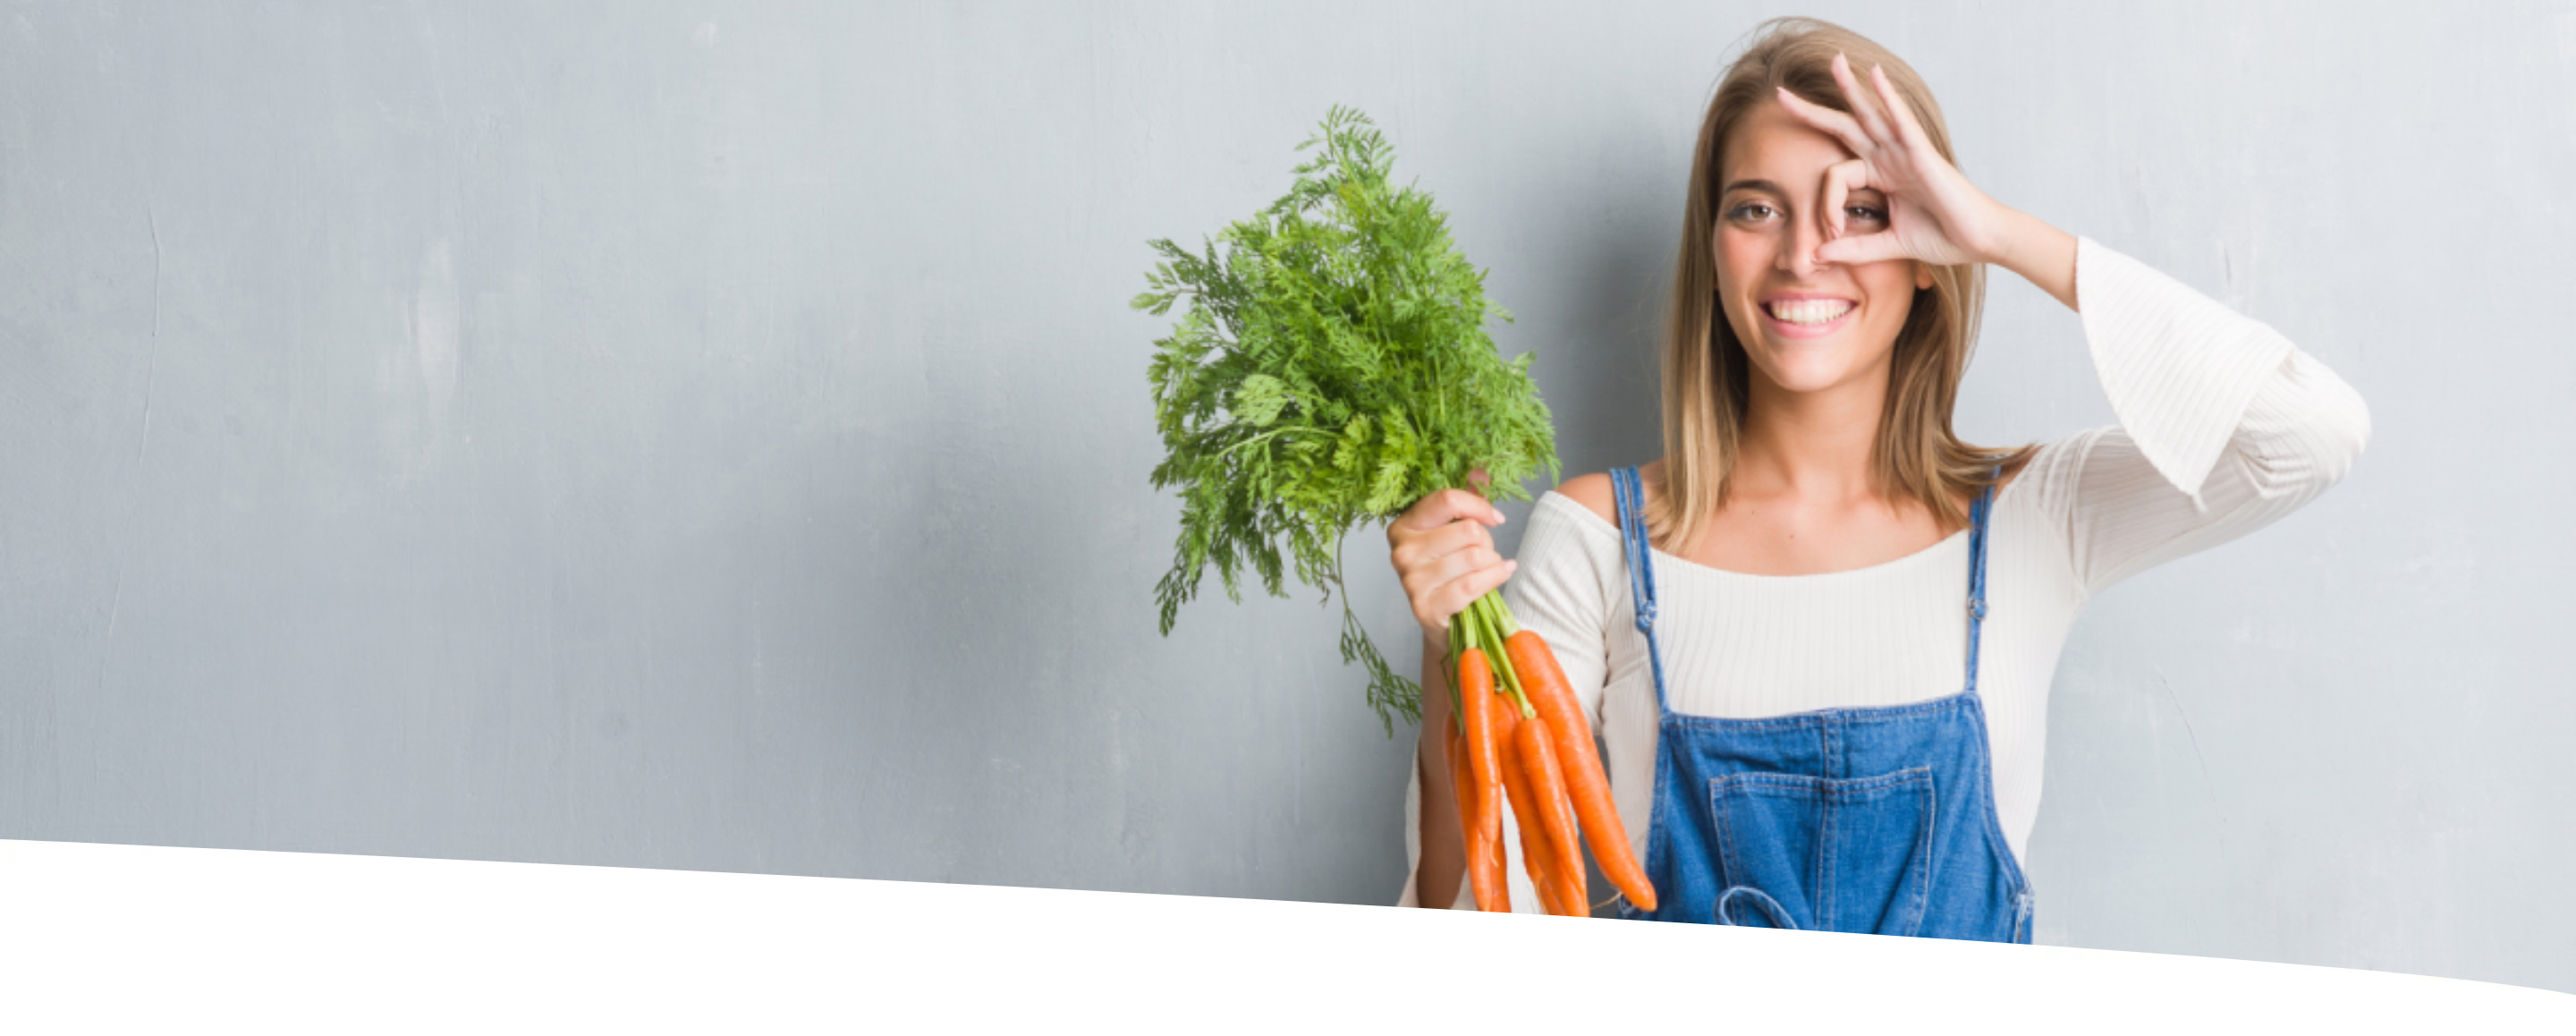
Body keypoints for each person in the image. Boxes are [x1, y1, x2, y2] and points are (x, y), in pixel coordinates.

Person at [1386, 17, 2368, 937]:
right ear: (1715, 248)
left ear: (1929, 246)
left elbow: (2310, 433)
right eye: (1757, 207)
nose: (1805, 252)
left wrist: (2000, 235)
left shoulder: (2035, 518)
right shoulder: (1597, 538)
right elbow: (1487, 929)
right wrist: (1448, 659)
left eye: (1861, 210)